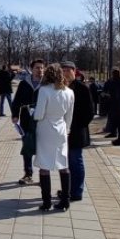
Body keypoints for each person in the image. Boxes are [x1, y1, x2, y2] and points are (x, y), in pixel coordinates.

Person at [33, 63, 75, 211]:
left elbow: (39, 114)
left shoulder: (44, 90)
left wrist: (31, 112)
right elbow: (69, 116)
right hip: (62, 129)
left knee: (45, 166)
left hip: (45, 129)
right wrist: (67, 130)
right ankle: (65, 200)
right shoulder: (69, 92)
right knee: (63, 165)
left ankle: (46, 202)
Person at [61, 61, 93, 202]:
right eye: (63, 70)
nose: (66, 73)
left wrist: (75, 126)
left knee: (75, 161)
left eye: (69, 70)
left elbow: (90, 113)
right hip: (62, 132)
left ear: (75, 71)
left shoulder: (82, 88)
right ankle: (67, 190)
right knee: (66, 163)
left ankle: (76, 192)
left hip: (76, 132)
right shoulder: (60, 87)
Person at [12, 59, 45, 185]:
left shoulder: (47, 84)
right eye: (37, 67)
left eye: (42, 67)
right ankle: (28, 173)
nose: (40, 70)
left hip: (42, 121)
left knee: (42, 148)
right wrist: (15, 115)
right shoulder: (24, 84)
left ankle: (44, 175)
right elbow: (16, 101)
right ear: (32, 69)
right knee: (27, 147)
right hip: (26, 120)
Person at [102, 68, 120, 146]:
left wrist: (107, 95)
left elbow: (114, 94)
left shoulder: (114, 82)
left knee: (118, 122)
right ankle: (118, 137)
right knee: (117, 122)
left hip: (116, 106)